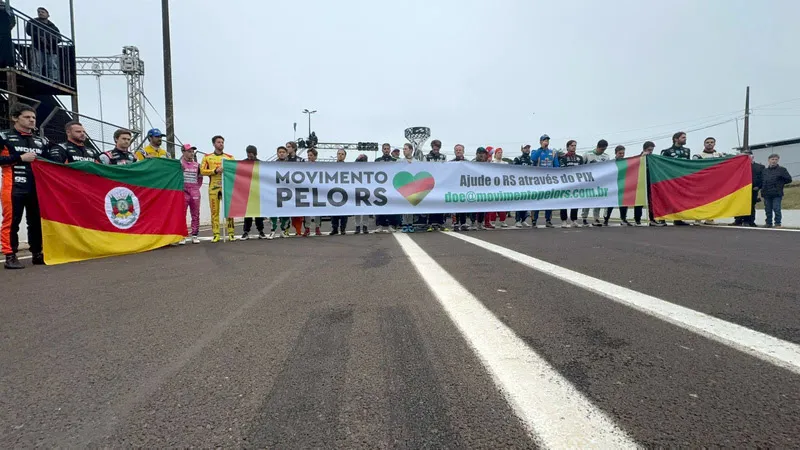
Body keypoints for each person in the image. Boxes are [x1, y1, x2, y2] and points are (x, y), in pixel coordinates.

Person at [0, 103, 48, 269]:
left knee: (36, 222)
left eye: (33, 117)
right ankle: (10, 255)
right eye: (27, 117)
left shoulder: (41, 140)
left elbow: (51, 163)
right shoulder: (3, 136)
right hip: (13, 186)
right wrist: (20, 158)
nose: (31, 120)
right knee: (12, 222)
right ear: (15, 118)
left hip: (37, 187)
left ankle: (37, 253)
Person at [200, 135, 235, 242]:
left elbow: (235, 170)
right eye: (219, 142)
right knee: (214, 211)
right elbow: (202, 171)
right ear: (214, 144)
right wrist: (215, 171)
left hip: (226, 187)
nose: (221, 144)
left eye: (222, 142)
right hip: (213, 188)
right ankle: (216, 234)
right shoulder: (207, 157)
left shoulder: (230, 157)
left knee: (229, 211)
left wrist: (227, 170)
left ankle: (231, 233)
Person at [691, 137, 723, 224]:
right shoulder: (698, 156)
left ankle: (710, 218)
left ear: (714, 144)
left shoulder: (720, 155)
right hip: (701, 183)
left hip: (714, 183)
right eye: (707, 142)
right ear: (704, 144)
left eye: (712, 142)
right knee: (699, 201)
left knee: (713, 201)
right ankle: (698, 219)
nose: (709, 144)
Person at [531, 134, 559, 228]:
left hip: (549, 181)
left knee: (549, 201)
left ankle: (548, 220)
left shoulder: (553, 153)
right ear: (540, 142)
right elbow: (533, 158)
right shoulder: (536, 151)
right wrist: (541, 148)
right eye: (544, 140)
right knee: (537, 200)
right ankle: (534, 220)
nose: (546, 142)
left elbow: (557, 166)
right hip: (538, 181)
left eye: (547, 140)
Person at [25, 7, 61, 81]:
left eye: (42, 12)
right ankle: (36, 79)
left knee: (52, 66)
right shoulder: (33, 22)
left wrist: (48, 39)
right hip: (37, 47)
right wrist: (39, 37)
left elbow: (59, 39)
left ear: (48, 15)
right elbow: (29, 31)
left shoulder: (53, 27)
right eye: (39, 12)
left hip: (51, 49)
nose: (40, 13)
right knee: (37, 65)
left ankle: (54, 81)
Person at [581, 139, 610, 226]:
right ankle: (584, 218)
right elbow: (580, 167)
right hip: (588, 181)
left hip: (600, 182)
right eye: (601, 149)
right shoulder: (587, 154)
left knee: (598, 200)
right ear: (597, 147)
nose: (603, 151)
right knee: (587, 200)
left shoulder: (606, 156)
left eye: (604, 149)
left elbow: (608, 169)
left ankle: (596, 219)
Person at [732, 150, 764, 227]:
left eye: (748, 155)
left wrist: (759, 186)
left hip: (753, 189)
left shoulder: (760, 167)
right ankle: (738, 220)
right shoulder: (739, 166)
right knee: (739, 204)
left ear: (752, 156)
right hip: (741, 189)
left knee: (751, 205)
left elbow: (762, 178)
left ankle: (750, 221)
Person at [241, 145, 266, 240]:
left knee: (258, 213)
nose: (249, 155)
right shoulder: (243, 163)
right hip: (247, 191)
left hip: (258, 190)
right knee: (247, 213)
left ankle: (261, 231)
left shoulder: (260, 163)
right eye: (248, 153)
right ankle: (246, 231)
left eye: (251, 153)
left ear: (255, 153)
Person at [761, 153, 792, 228]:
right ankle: (768, 223)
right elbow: (762, 181)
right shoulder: (764, 171)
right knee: (767, 209)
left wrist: (780, 182)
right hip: (766, 193)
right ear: (769, 160)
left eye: (776, 159)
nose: (774, 161)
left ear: (778, 160)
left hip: (777, 193)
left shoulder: (782, 170)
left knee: (776, 208)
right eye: (772, 159)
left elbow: (789, 180)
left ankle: (777, 223)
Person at [604, 146, 632, 226]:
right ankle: (606, 220)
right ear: (615, 153)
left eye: (623, 153)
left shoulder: (626, 162)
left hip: (622, 185)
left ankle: (623, 219)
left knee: (624, 203)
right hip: (612, 186)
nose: (622, 155)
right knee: (610, 204)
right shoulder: (611, 162)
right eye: (620, 153)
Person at [179, 144, 202, 244]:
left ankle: (195, 234)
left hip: (195, 191)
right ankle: (182, 235)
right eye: (189, 151)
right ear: (183, 152)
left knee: (195, 214)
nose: (191, 153)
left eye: (192, 151)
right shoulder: (179, 164)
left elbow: (200, 178)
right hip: (183, 191)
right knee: (181, 213)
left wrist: (196, 188)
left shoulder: (197, 165)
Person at [634, 141, 660, 226]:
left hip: (650, 182)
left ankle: (652, 219)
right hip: (641, 182)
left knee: (651, 201)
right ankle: (637, 220)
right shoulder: (639, 157)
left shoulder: (652, 158)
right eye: (649, 150)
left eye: (652, 150)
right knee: (639, 201)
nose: (650, 152)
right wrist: (642, 156)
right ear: (644, 149)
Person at [558, 139, 583, 227]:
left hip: (576, 183)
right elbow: (562, 170)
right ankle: (564, 220)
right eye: (572, 145)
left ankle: (574, 220)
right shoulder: (563, 158)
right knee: (564, 201)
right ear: (568, 147)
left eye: (575, 145)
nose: (574, 147)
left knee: (575, 201)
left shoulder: (580, 158)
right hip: (565, 183)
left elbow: (582, 171)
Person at [425, 139, 448, 231]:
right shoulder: (426, 157)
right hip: (430, 182)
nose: (436, 148)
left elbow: (446, 169)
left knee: (441, 202)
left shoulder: (443, 157)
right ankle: (430, 222)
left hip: (441, 183)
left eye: (438, 147)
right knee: (431, 202)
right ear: (432, 147)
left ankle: (440, 222)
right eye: (435, 146)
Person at [268, 146, 291, 239]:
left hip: (287, 192)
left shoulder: (291, 165)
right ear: (277, 153)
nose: (281, 153)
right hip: (275, 191)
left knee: (286, 212)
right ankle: (272, 230)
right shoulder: (272, 165)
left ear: (286, 153)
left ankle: (283, 230)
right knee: (273, 211)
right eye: (279, 152)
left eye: (283, 152)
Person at [375, 143, 397, 233]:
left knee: (390, 206)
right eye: (385, 149)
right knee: (380, 206)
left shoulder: (394, 161)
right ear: (382, 150)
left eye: (388, 149)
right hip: (380, 186)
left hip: (390, 186)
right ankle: (380, 225)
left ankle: (390, 225)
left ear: (390, 150)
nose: (386, 150)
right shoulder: (377, 160)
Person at [450, 144, 470, 231]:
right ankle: (455, 223)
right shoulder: (450, 163)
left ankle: (463, 222)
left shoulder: (468, 163)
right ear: (454, 152)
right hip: (454, 186)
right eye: (457, 150)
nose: (458, 151)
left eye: (460, 150)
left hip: (464, 186)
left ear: (463, 151)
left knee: (463, 205)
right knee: (455, 205)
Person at [469, 147, 490, 230]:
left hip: (483, 188)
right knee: (473, 206)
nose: (482, 155)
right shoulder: (471, 163)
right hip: (473, 187)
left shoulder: (487, 164)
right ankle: (473, 222)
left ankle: (480, 223)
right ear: (477, 154)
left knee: (482, 206)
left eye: (483, 153)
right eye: (480, 153)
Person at [513, 144, 533, 227]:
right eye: (525, 148)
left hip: (528, 184)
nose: (527, 149)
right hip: (519, 184)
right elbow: (513, 170)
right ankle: (517, 220)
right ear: (522, 149)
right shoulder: (518, 159)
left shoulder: (531, 160)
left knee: (526, 202)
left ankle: (523, 220)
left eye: (528, 148)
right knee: (519, 202)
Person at [488, 147, 509, 228]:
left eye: (501, 152)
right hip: (493, 187)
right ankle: (492, 220)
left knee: (502, 205)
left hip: (502, 187)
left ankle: (503, 220)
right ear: (495, 154)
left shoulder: (505, 164)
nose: (500, 154)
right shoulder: (492, 163)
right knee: (493, 204)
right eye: (498, 152)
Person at [329, 148, 349, 235]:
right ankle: (334, 228)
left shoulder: (349, 167)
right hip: (334, 191)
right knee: (334, 211)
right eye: (339, 154)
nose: (340, 155)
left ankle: (343, 228)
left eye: (342, 154)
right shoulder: (331, 167)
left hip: (344, 192)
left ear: (345, 156)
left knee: (344, 212)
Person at [399, 144, 417, 233]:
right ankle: (404, 223)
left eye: (405, 149)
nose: (404, 150)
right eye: (403, 149)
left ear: (411, 150)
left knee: (411, 206)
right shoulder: (399, 161)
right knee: (404, 206)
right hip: (403, 185)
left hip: (413, 186)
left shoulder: (417, 162)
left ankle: (410, 223)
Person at [306, 148, 323, 236]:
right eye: (308, 155)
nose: (309, 157)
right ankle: (307, 228)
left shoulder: (319, 167)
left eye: (311, 155)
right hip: (307, 191)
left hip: (317, 191)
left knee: (317, 211)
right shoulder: (303, 166)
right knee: (307, 211)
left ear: (315, 157)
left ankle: (317, 228)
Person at [353, 153, 371, 234]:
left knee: (366, 210)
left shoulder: (369, 168)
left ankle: (365, 226)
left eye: (363, 160)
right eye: (361, 160)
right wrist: (357, 159)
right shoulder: (356, 168)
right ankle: (357, 226)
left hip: (366, 190)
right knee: (357, 210)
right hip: (357, 189)